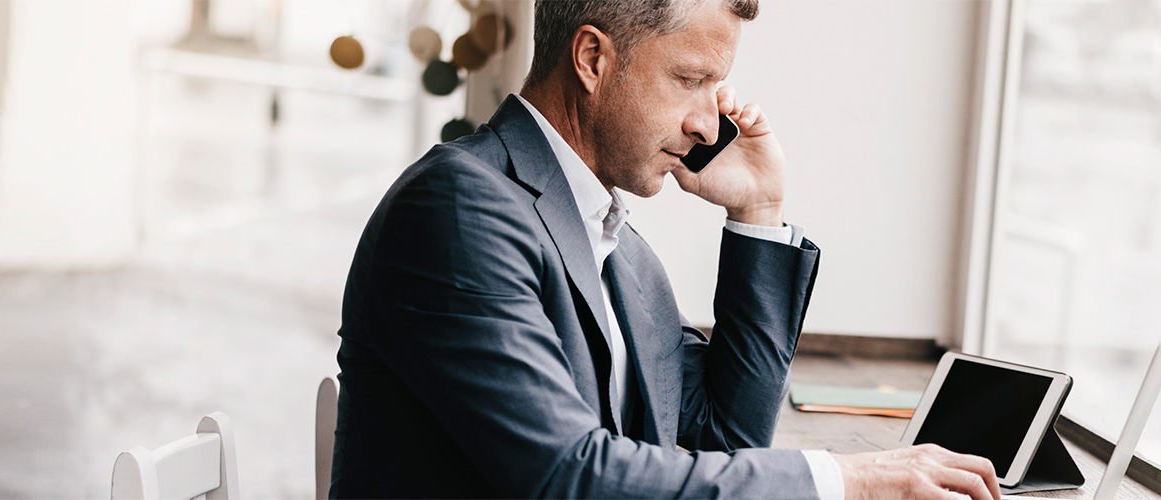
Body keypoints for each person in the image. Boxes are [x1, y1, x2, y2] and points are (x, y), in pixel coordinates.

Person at [328, 0, 1000, 498]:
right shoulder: (458, 210)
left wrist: (758, 212)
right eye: (689, 80)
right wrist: (842, 481)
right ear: (593, 59)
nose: (711, 123)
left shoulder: (615, 245)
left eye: (717, 87)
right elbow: (566, 475)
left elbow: (726, 438)